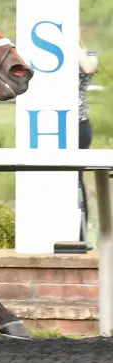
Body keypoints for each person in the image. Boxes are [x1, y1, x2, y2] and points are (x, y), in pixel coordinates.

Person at [79, 41, 99, 241]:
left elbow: (89, 68)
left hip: (78, 123)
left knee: (77, 179)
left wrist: (72, 44)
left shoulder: (88, 54)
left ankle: (81, 234)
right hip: (51, 124)